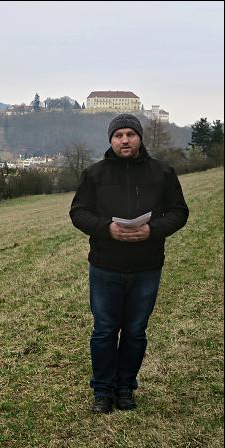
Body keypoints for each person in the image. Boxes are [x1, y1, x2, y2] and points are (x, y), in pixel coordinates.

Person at [70, 114, 189, 414]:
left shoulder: (162, 173)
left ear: (140, 137)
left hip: (147, 266)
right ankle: (102, 391)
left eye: (130, 134)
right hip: (105, 265)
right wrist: (105, 228)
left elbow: (179, 212)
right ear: (110, 140)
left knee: (135, 331)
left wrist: (153, 230)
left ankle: (125, 389)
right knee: (104, 330)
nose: (125, 140)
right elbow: (78, 213)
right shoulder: (94, 174)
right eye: (119, 135)